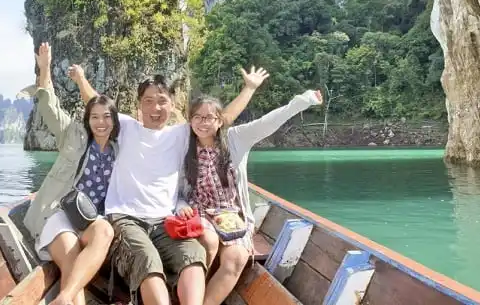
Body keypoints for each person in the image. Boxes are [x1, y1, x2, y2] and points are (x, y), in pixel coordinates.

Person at [69, 65, 270, 305]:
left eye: (162, 101)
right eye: (149, 101)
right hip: (125, 217)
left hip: (166, 221)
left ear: (172, 104)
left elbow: (221, 119)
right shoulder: (125, 128)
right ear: (139, 105)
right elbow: (95, 102)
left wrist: (249, 88)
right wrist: (81, 79)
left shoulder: (182, 134)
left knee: (194, 256)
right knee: (147, 260)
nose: (156, 108)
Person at [176, 90, 323, 305]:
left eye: (209, 117)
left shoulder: (236, 138)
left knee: (236, 257)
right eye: (197, 117)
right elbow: (176, 190)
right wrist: (180, 204)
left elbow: (268, 122)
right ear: (190, 120)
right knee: (207, 242)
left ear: (220, 121)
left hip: (232, 215)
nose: (202, 122)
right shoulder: (183, 147)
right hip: (198, 210)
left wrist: (303, 101)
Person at [22, 43, 120, 305]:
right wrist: (44, 69)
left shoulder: (119, 149)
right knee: (72, 258)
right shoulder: (73, 135)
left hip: (91, 218)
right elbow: (49, 107)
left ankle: (62, 299)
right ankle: (67, 299)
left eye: (106, 117)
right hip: (59, 214)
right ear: (87, 120)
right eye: (95, 117)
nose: (101, 123)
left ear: (114, 120)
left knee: (105, 232)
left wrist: (82, 80)